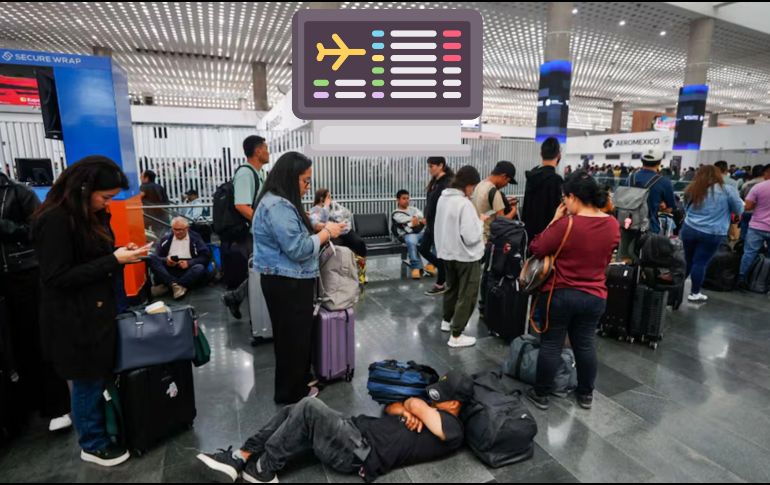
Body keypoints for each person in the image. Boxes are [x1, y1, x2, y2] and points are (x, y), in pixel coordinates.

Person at [33, 156, 150, 467]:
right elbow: (56, 276)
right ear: (84, 188)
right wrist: (113, 261)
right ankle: (92, 443)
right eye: (105, 197)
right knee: (87, 379)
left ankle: (101, 432)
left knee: (98, 375)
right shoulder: (55, 220)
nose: (107, 204)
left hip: (97, 311)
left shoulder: (89, 215)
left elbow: (93, 257)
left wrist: (120, 255)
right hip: (73, 318)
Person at [195, 370, 472, 484]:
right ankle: (240, 456)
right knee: (295, 409)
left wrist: (415, 408)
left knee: (309, 407)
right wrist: (409, 409)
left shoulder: (454, 430)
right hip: (353, 430)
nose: (433, 399)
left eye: (441, 397)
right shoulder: (433, 413)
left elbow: (416, 405)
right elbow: (392, 408)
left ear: (454, 404)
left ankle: (264, 470)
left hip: (361, 453)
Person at [252, 152, 345, 404]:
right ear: (290, 178)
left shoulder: (276, 201)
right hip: (288, 283)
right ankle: (292, 394)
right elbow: (298, 249)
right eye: (305, 181)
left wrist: (315, 227)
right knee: (293, 339)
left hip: (286, 280)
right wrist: (327, 232)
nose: (307, 187)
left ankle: (296, 383)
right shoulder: (278, 206)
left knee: (292, 337)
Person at [526, 171, 620, 411]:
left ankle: (541, 394)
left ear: (574, 197)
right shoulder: (612, 224)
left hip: (560, 294)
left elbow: (537, 247)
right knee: (585, 344)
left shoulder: (566, 224)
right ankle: (585, 394)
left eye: (565, 198)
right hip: (595, 296)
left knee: (551, 344)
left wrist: (554, 220)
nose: (564, 203)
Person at [0, 170, 71, 433]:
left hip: (24, 276)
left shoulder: (19, 192)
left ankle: (56, 406)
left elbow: (39, 230)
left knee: (37, 340)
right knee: (11, 347)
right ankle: (21, 408)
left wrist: (7, 228)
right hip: (7, 278)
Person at [435, 166, 487, 349]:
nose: (473, 191)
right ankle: (456, 335)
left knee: (451, 288)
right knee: (467, 294)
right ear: (469, 185)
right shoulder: (464, 204)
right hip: (466, 257)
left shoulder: (443, 198)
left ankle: (446, 321)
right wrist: (480, 222)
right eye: (473, 187)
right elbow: (471, 237)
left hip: (447, 252)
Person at [221, 135, 271, 318]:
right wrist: (263, 222)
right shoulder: (245, 173)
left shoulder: (258, 173)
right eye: (266, 148)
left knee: (261, 270)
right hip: (248, 233)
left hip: (255, 231)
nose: (268, 152)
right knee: (260, 271)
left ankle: (235, 297)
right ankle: (248, 309)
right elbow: (241, 206)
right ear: (258, 151)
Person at [680, 166, 744, 303]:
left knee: (688, 260)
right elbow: (739, 209)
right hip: (713, 232)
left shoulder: (692, 188)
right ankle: (694, 293)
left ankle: (677, 288)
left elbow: (685, 208)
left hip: (689, 228)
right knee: (700, 262)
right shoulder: (727, 190)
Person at [618, 149, 676, 260]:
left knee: (625, 258)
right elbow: (670, 209)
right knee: (648, 260)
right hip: (649, 227)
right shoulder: (664, 182)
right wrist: (661, 206)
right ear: (659, 163)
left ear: (642, 161)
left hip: (627, 224)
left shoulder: (630, 178)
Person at [309, 189, 368, 284]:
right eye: (328, 197)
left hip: (344, 231)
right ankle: (336, 276)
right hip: (331, 234)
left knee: (359, 243)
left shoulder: (334, 205)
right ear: (321, 198)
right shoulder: (314, 210)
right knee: (336, 249)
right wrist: (326, 207)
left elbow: (346, 213)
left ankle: (361, 271)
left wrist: (338, 216)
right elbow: (321, 222)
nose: (331, 199)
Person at [148, 217, 211, 299]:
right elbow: (157, 257)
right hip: (170, 269)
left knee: (199, 268)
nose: (178, 232)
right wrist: (167, 260)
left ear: (187, 228)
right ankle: (178, 286)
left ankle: (170, 286)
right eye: (175, 229)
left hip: (187, 269)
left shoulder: (195, 238)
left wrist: (189, 263)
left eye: (181, 230)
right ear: (172, 228)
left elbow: (205, 257)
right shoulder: (166, 239)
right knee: (151, 257)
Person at [419, 157, 452, 296]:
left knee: (441, 253)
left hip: (441, 224)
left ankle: (440, 283)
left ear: (441, 165)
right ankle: (443, 269)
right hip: (431, 224)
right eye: (429, 166)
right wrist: (426, 217)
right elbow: (430, 203)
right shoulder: (435, 182)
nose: (429, 169)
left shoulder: (448, 182)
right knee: (423, 249)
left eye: (432, 166)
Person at [522, 137, 564, 240]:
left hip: (529, 232)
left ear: (541, 154)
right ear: (559, 155)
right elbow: (558, 210)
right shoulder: (556, 180)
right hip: (547, 234)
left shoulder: (532, 175)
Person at [738, 164, 770, 291]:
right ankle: (765, 281)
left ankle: (742, 278)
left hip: (757, 226)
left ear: (766, 173)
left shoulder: (758, 187)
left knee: (749, 254)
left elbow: (748, 207)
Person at [471, 160, 519, 241]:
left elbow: (486, 207)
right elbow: (503, 222)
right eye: (507, 181)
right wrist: (514, 210)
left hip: (476, 233)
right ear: (504, 176)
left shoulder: (480, 185)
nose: (506, 185)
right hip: (487, 238)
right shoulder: (494, 192)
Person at [391, 190, 429, 279]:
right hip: (406, 235)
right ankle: (416, 267)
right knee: (411, 241)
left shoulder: (413, 209)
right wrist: (417, 220)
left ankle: (431, 265)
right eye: (404, 198)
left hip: (419, 233)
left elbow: (420, 214)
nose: (407, 200)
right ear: (398, 200)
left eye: (408, 198)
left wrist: (415, 218)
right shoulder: (395, 213)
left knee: (434, 237)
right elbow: (402, 220)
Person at [739, 165, 769, 242]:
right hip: (764, 219)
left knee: (745, 228)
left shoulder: (746, 184)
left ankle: (743, 241)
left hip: (748, 212)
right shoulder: (764, 184)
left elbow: (741, 198)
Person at [140, 169, 171, 237]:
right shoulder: (159, 186)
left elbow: (138, 198)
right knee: (163, 234)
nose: (140, 178)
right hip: (163, 215)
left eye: (141, 176)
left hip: (151, 216)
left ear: (146, 178)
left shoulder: (144, 186)